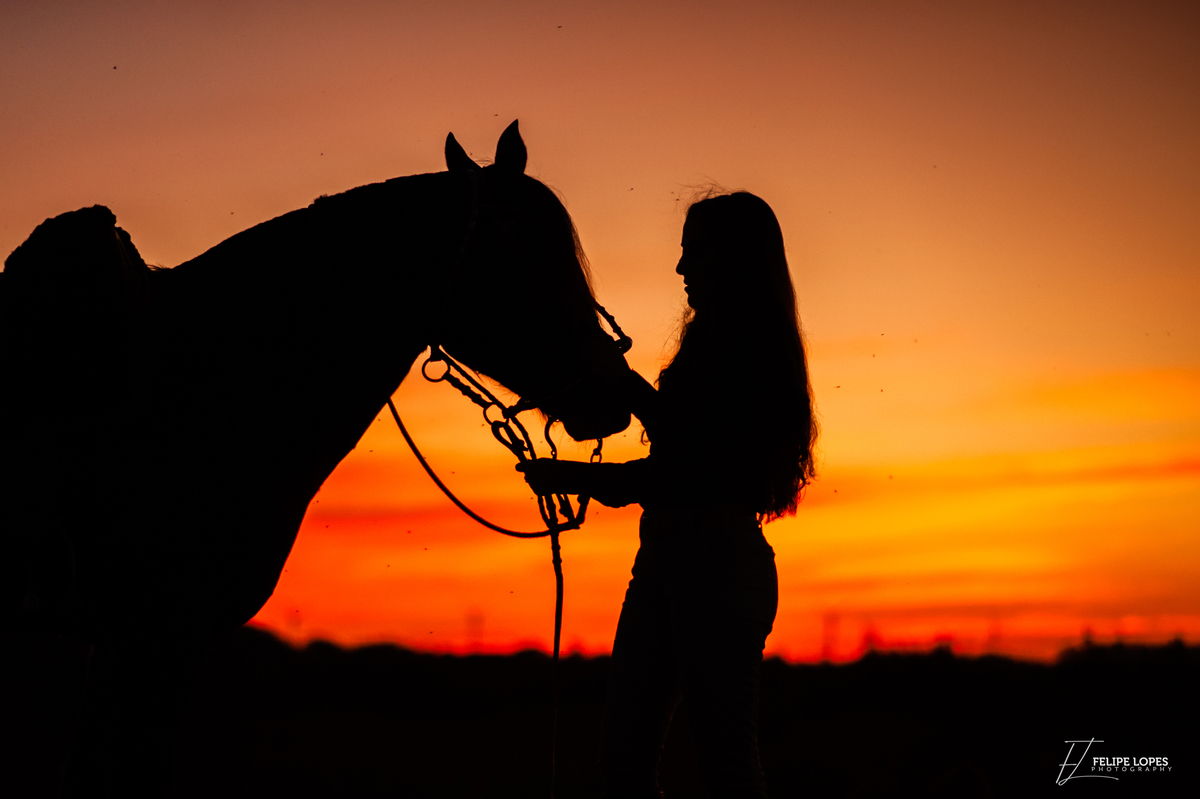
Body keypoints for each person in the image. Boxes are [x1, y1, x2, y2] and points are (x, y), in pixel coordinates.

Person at [518, 191, 817, 798]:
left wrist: (575, 474)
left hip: (712, 569)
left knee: (718, 769)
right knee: (634, 767)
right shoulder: (721, 347)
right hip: (674, 564)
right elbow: (685, 453)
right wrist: (623, 398)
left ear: (730, 261)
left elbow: (684, 472)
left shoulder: (743, 356)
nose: (682, 269)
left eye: (694, 254)